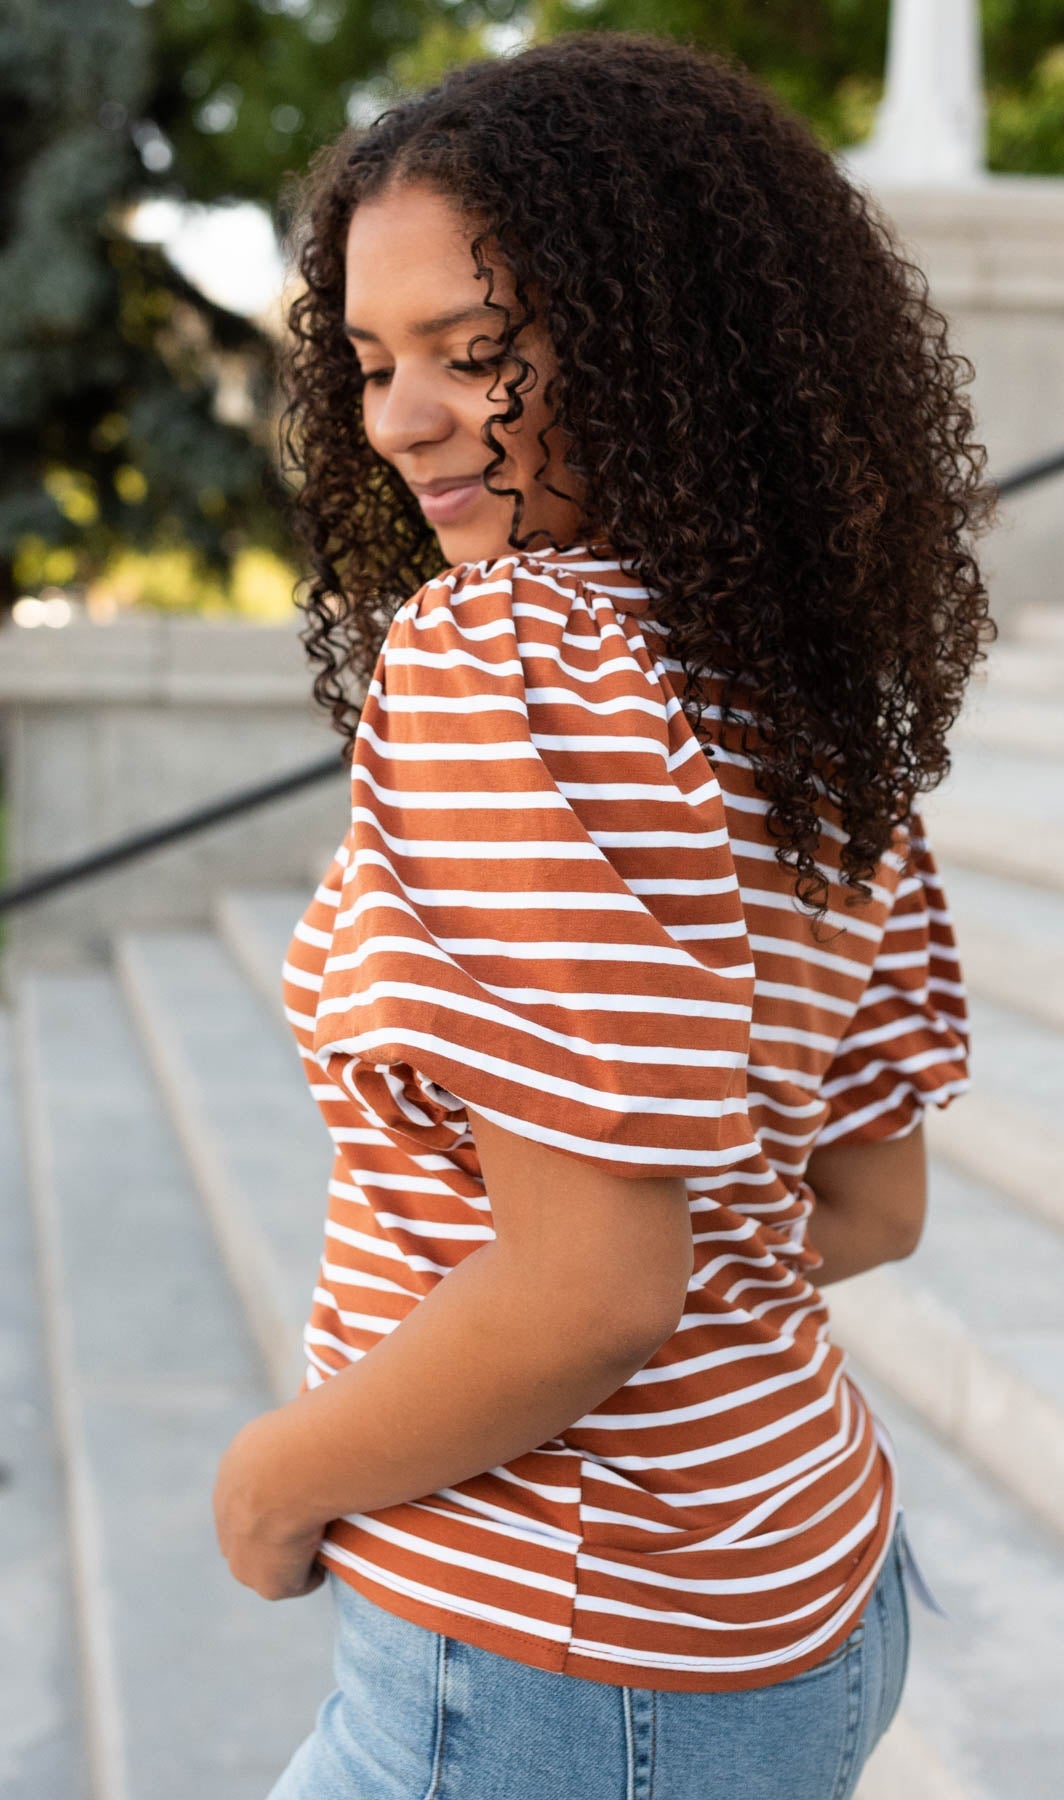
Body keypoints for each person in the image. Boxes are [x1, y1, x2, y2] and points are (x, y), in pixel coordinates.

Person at [211, 29, 995, 1800]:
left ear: (670, 348)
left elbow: (590, 1284)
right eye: (367, 360)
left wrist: (272, 1479)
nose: (398, 418)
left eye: (474, 355)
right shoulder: (799, 684)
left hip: (556, 1656)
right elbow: (869, 1200)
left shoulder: (506, 654)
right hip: (805, 1584)